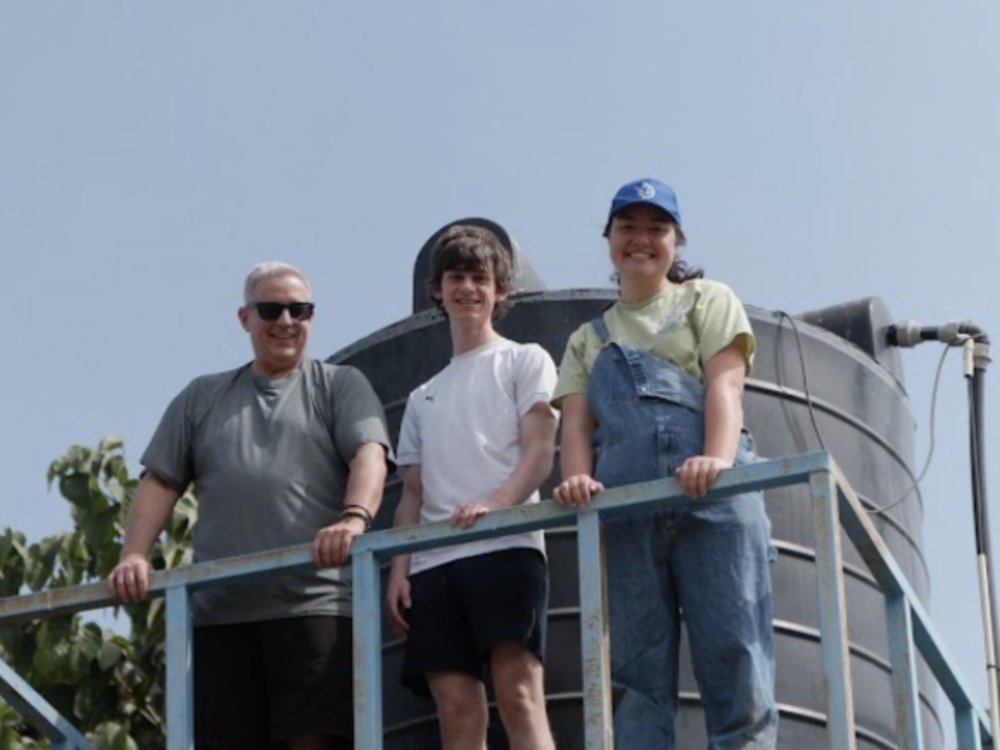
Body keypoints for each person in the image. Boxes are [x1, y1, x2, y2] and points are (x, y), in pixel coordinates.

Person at [107, 261, 395, 750]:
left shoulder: (339, 386)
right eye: (271, 309)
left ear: (311, 317)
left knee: (313, 741)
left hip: (314, 602)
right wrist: (133, 553)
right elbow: (161, 480)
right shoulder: (202, 396)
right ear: (245, 318)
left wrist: (353, 518)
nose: (286, 320)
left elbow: (370, 454)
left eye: (298, 310)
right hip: (223, 613)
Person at [552, 178, 778, 749]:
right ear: (609, 239)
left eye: (658, 229)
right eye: (628, 227)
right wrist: (577, 478)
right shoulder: (588, 338)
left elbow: (726, 385)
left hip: (714, 501)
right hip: (629, 511)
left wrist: (715, 461)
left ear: (677, 242)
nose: (642, 240)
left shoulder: (706, 300)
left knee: (737, 656)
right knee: (635, 677)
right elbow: (576, 425)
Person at [384, 224, 559, 750]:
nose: (468, 288)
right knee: (456, 713)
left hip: (507, 547)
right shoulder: (421, 396)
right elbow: (412, 494)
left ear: (501, 291)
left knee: (518, 696)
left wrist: (495, 506)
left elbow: (539, 452)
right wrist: (399, 569)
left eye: (479, 278)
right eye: (456, 277)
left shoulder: (526, 359)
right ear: (436, 289)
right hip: (434, 564)